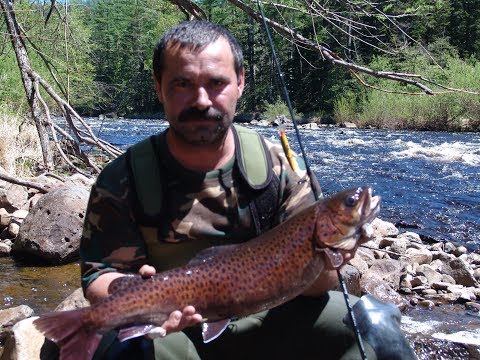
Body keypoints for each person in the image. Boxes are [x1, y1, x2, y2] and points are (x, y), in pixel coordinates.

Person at [80, 20, 378, 359]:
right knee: (125, 351)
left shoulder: (279, 167)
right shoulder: (123, 178)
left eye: (216, 82)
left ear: (240, 83)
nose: (201, 100)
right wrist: (136, 293)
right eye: (182, 84)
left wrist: (331, 260)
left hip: (267, 318)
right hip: (170, 329)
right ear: (159, 87)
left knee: (371, 325)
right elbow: (98, 278)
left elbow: (316, 289)